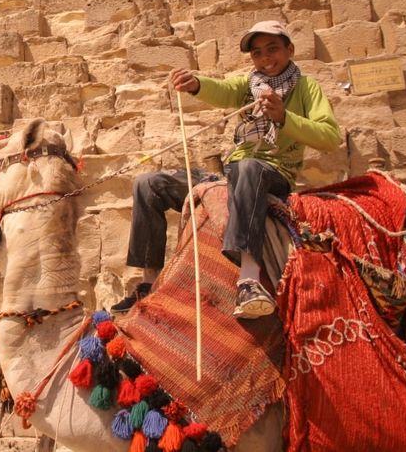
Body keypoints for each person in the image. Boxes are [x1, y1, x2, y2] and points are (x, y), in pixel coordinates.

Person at [111, 20, 342, 319]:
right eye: (257, 53)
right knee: (147, 183)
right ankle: (148, 283)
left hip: (273, 171)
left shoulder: (307, 87)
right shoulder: (250, 85)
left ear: (290, 50)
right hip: (234, 170)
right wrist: (195, 84)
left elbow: (330, 137)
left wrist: (285, 117)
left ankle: (248, 278)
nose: (265, 58)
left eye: (273, 49)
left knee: (248, 167)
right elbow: (220, 90)